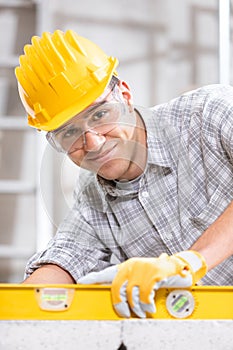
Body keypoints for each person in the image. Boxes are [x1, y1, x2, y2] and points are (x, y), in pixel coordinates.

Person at [15, 29, 233, 318]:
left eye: (100, 114)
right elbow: (64, 259)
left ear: (125, 96)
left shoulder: (210, 114)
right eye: (69, 132)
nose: (93, 142)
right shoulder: (93, 196)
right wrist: (15, 313)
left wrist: (190, 262)